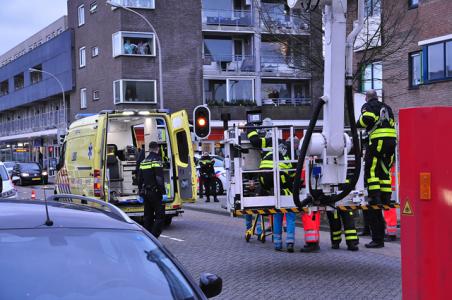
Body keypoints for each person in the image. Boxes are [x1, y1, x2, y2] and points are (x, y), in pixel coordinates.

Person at [247, 118, 296, 252]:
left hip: (265, 178)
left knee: (277, 212)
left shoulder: (268, 141)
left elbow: (255, 141)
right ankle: (290, 242)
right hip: (283, 180)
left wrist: (250, 128)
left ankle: (278, 244)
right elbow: (293, 168)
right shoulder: (288, 147)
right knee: (290, 212)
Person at [357, 89, 397, 248]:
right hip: (391, 143)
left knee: (371, 169)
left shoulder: (368, 106)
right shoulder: (387, 107)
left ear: (367, 98)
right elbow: (392, 123)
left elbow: (366, 120)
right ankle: (386, 197)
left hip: (378, 141)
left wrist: (357, 123)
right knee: (385, 170)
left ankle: (375, 196)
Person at [138, 142, 166, 238]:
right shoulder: (157, 160)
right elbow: (159, 178)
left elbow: (140, 179)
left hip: (146, 193)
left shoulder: (144, 161)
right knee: (160, 216)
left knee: (147, 217)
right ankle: (154, 237)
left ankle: (147, 237)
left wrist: (140, 193)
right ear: (157, 149)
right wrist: (163, 192)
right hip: (155, 193)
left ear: (149, 149)